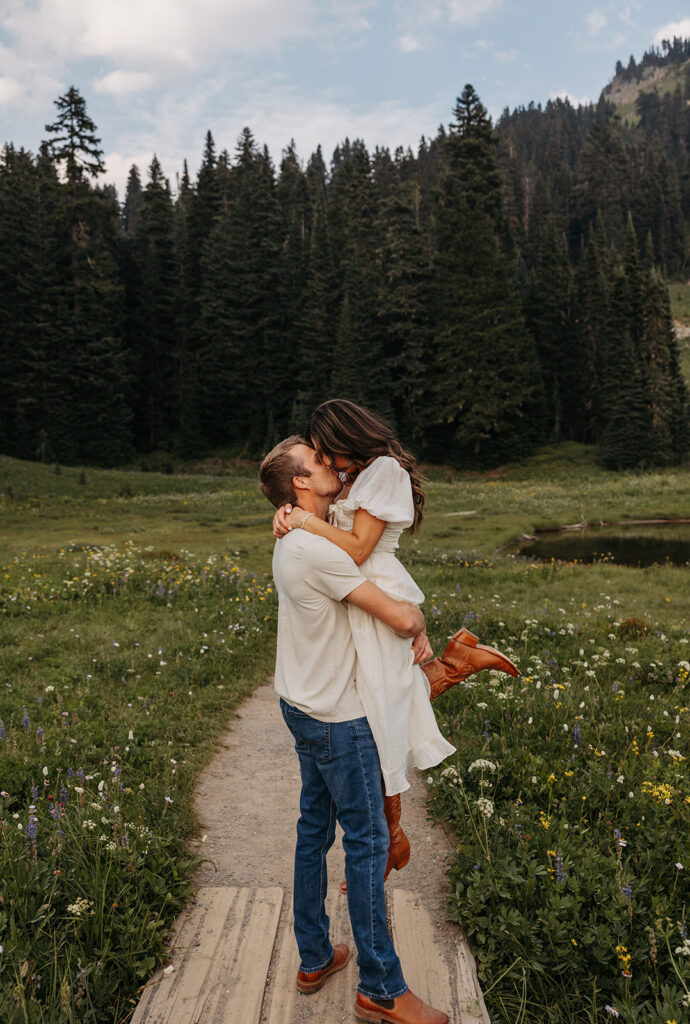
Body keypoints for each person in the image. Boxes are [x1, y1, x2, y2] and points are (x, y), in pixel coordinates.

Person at [272, 400, 519, 884]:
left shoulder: (384, 470)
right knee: (382, 705)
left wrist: (301, 521)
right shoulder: (358, 475)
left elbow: (360, 547)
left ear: (346, 438)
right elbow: (320, 511)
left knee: (382, 710)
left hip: (373, 583)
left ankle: (391, 836)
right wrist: (288, 510)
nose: (330, 465)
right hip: (362, 588)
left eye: (329, 454)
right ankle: (457, 662)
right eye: (321, 460)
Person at [260, 436, 450, 1024]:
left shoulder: (294, 537)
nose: (332, 464)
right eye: (318, 462)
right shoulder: (316, 550)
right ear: (299, 485)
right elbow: (398, 617)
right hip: (339, 719)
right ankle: (382, 988)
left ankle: (315, 956)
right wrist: (417, 617)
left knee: (313, 829)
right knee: (368, 846)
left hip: (301, 704)